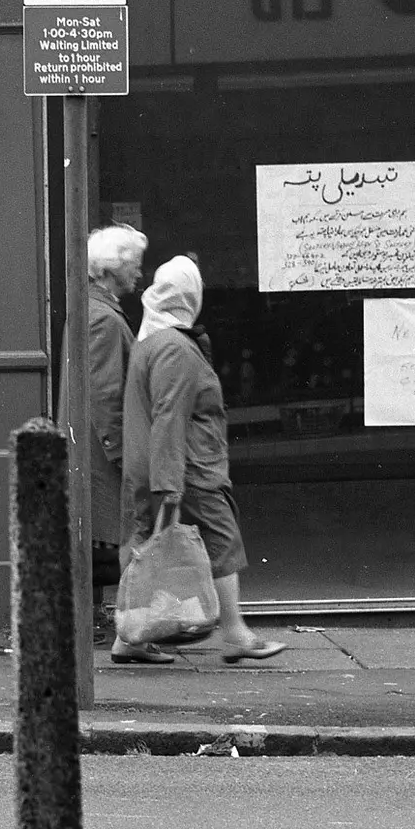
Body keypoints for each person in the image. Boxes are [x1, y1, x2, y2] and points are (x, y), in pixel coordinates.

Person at [120, 255, 287, 664]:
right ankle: (235, 634)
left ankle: (129, 639)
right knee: (221, 541)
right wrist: (170, 486)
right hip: (192, 468)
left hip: (160, 465)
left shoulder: (151, 341)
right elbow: (170, 416)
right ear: (189, 296)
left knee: (148, 545)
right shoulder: (175, 347)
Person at [69, 225, 163, 663]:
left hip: (92, 447)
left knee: (100, 538)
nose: (139, 275)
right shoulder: (104, 319)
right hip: (101, 451)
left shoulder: (92, 310)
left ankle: (101, 622)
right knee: (117, 537)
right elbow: (105, 392)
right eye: (133, 267)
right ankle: (124, 631)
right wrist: (121, 453)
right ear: (110, 269)